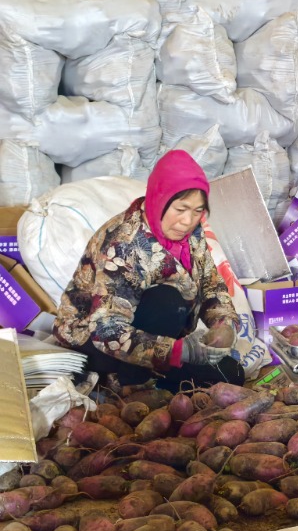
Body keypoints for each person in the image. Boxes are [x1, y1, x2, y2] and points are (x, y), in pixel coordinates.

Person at [54, 150, 245, 393]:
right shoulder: (124, 244)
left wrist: (224, 324)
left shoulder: (191, 234)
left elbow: (210, 283)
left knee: (232, 374)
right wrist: (178, 352)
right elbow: (106, 328)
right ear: (159, 199)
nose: (187, 221)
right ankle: (128, 383)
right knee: (167, 299)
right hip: (95, 342)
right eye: (180, 209)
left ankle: (152, 378)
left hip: (159, 338)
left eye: (197, 211)